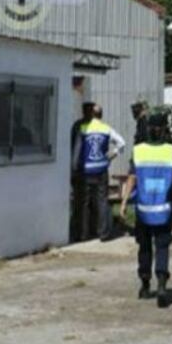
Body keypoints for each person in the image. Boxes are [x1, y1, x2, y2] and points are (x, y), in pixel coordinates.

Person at [120, 113, 172, 308]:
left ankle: (145, 285)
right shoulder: (171, 151)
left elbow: (132, 178)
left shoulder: (139, 151)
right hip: (164, 208)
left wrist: (124, 201)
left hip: (143, 209)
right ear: (164, 129)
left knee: (144, 247)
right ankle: (162, 283)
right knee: (162, 246)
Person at [71, 104, 126, 241]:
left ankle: (83, 234)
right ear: (101, 115)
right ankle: (103, 233)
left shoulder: (83, 128)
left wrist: (74, 169)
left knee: (84, 202)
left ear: (91, 114)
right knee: (102, 201)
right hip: (101, 169)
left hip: (86, 170)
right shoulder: (106, 128)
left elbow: (77, 152)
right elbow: (122, 143)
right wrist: (111, 155)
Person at [69, 102, 95, 241]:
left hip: (80, 169)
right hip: (89, 170)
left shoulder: (77, 125)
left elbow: (74, 148)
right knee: (89, 202)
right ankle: (88, 231)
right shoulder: (91, 127)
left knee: (81, 203)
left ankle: (81, 232)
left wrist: (72, 169)